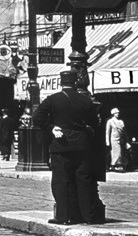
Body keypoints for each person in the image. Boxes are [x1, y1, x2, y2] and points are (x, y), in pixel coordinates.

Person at [32, 70, 104, 225]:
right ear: (76, 82)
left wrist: (51, 127)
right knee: (84, 180)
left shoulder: (52, 100)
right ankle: (88, 216)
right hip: (82, 144)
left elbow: (37, 118)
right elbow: (94, 122)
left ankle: (63, 216)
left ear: (60, 82)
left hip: (61, 144)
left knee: (61, 180)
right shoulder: (85, 100)